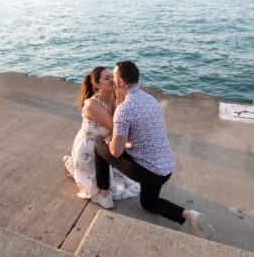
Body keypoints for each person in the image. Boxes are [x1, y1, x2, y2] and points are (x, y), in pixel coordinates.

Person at [93, 61, 214, 239]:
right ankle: (190, 215)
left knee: (99, 150)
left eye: (114, 78)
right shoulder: (151, 100)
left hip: (146, 171)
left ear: (120, 83)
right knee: (149, 204)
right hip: (165, 169)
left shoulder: (124, 109)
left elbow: (116, 152)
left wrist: (110, 141)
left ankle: (104, 194)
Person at [63, 66, 140, 202]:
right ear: (96, 85)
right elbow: (116, 127)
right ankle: (71, 165)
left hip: (105, 145)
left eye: (112, 76)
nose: (112, 79)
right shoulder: (92, 105)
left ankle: (71, 165)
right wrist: (120, 102)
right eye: (107, 78)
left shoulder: (115, 95)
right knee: (104, 187)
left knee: (128, 181)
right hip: (90, 149)